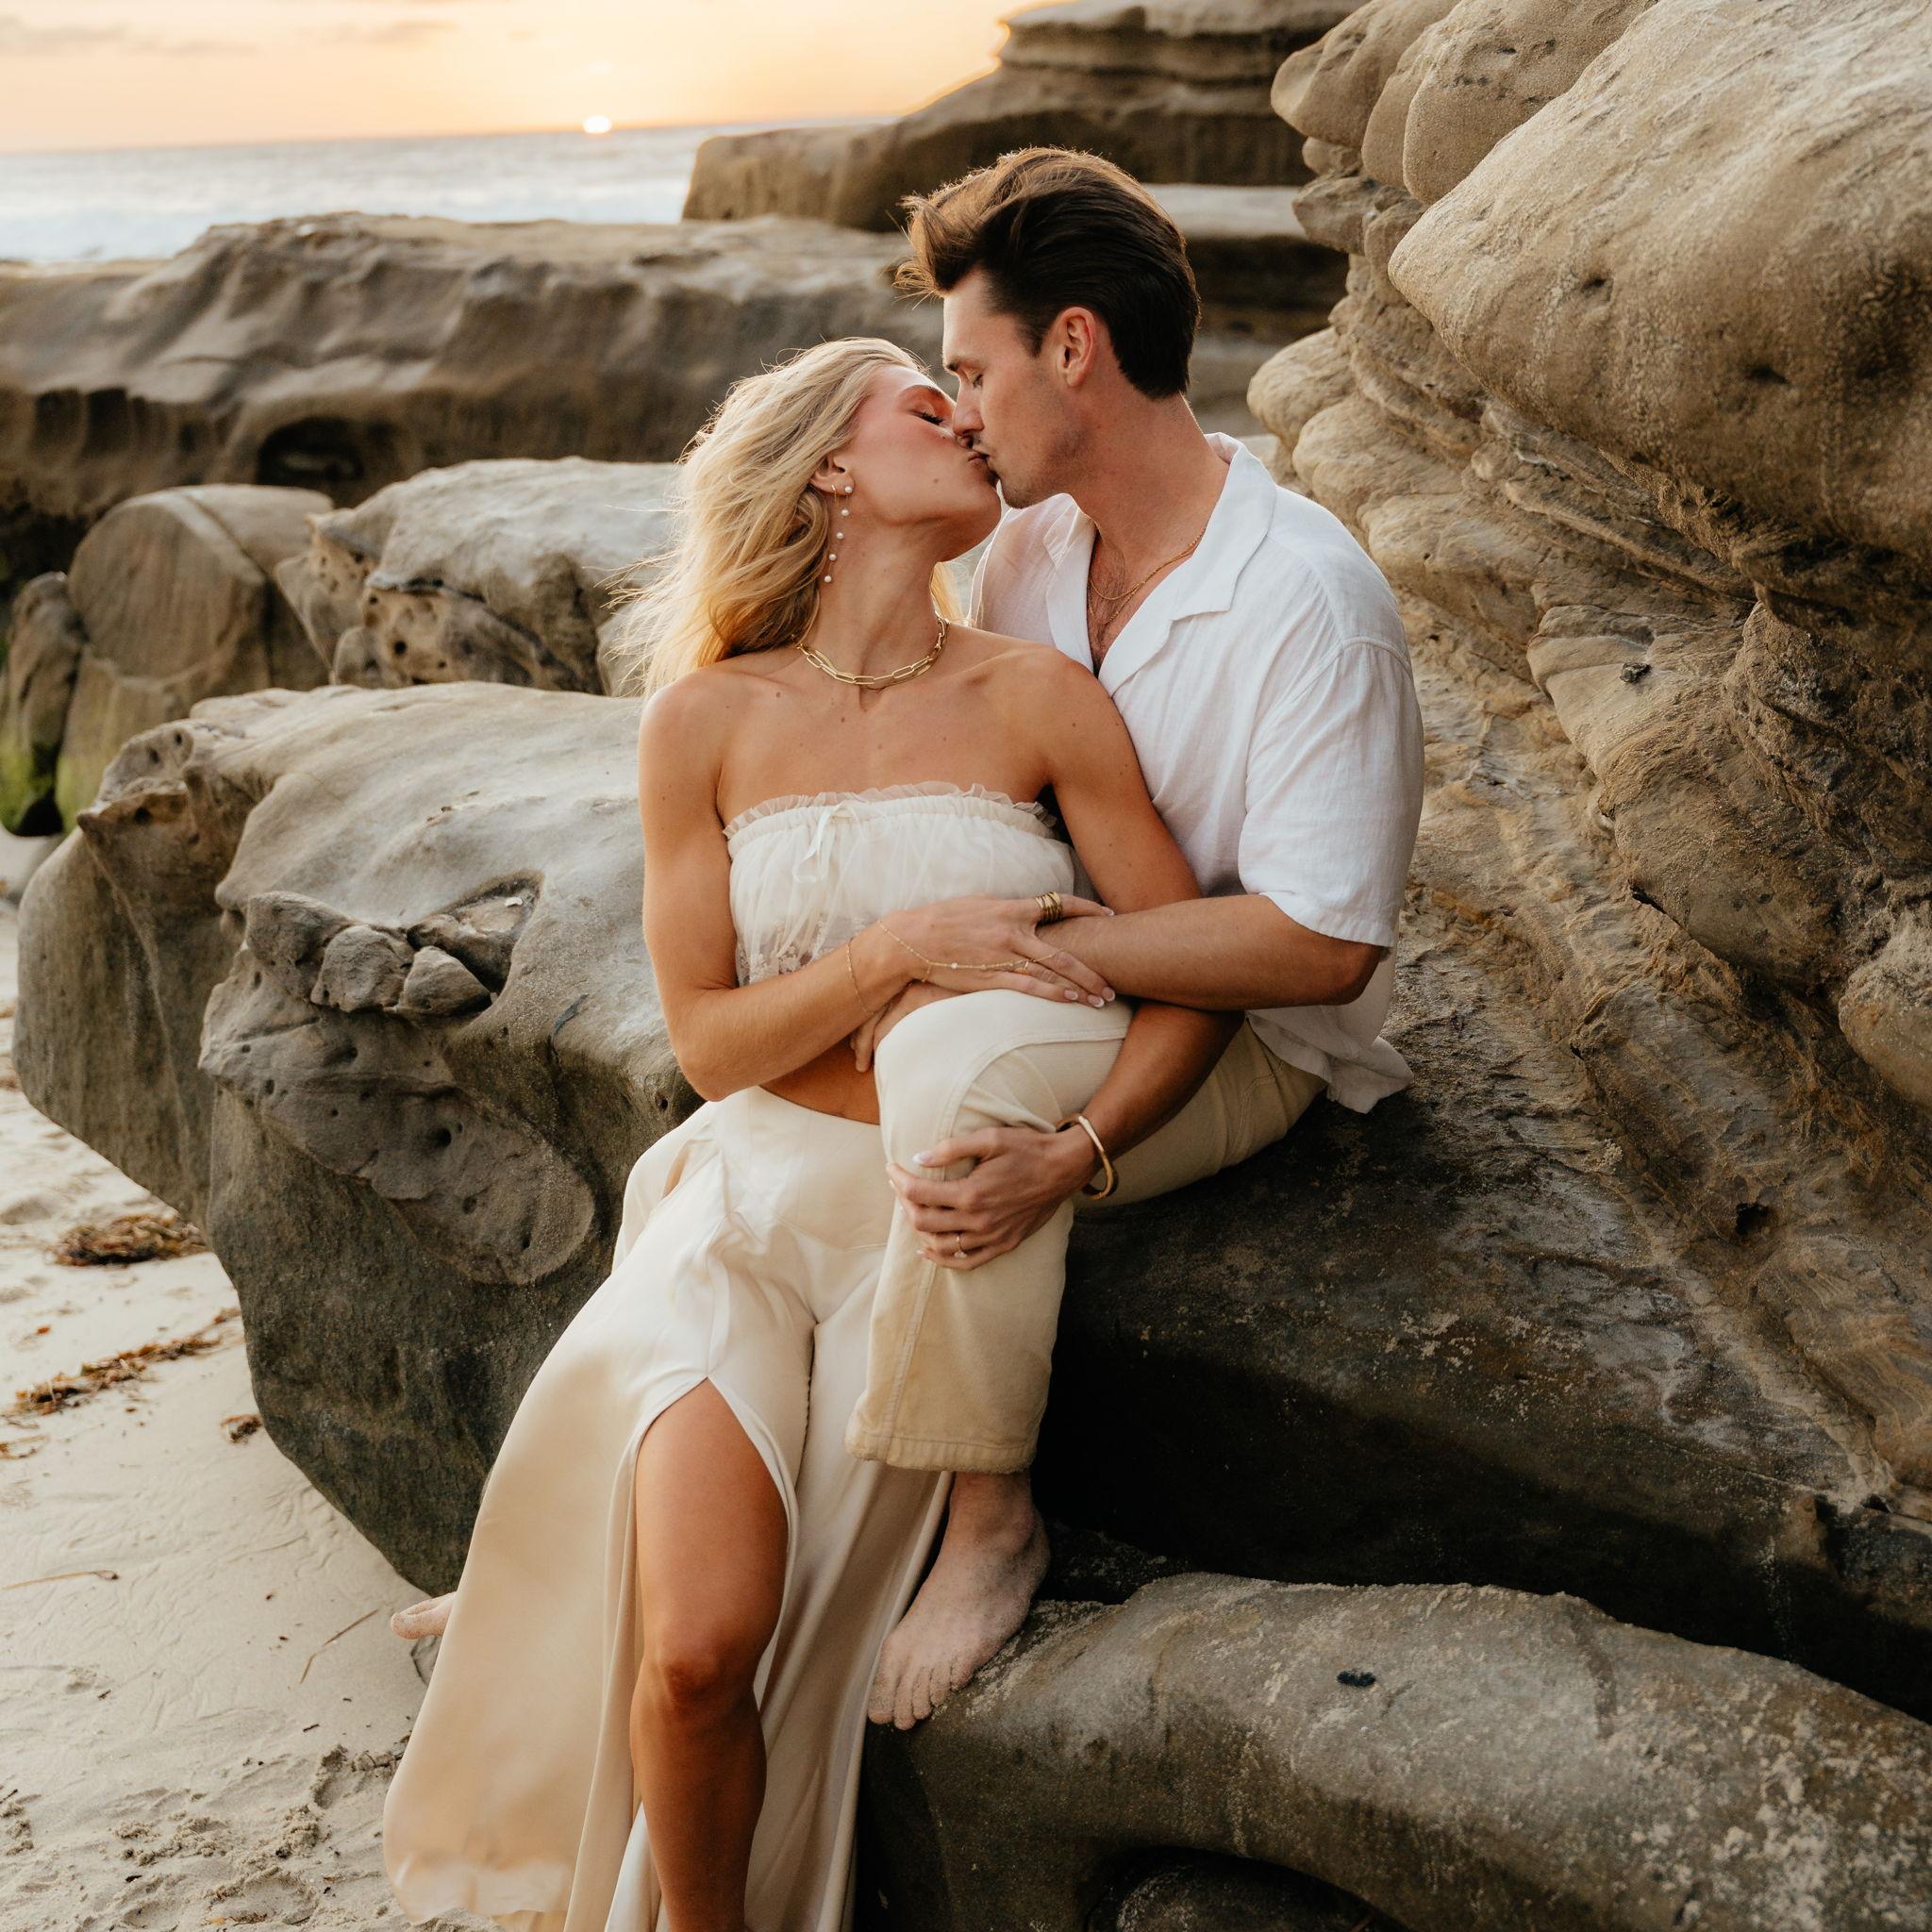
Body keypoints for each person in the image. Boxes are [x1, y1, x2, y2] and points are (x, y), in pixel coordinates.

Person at [379, 334, 1241, 1932]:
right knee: (699, 1646)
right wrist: (896, 956)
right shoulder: (704, 722)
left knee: (787, 1631)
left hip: (919, 1228)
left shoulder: (1039, 697)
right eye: (929, 403)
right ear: (830, 467)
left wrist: (1086, 1148)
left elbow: (1190, 969)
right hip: (743, 1205)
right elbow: (711, 1042)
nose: (970, 418)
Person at [837, 146, 1427, 1730]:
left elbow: (1322, 949)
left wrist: (1045, 961)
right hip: (1090, 989)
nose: (957, 409)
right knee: (772, 1138)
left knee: (953, 1071)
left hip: (1257, 1046)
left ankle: (984, 1526)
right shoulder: (1031, 548)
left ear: (1074, 348)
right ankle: (657, 1523)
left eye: (972, 368)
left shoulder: (1309, 601)